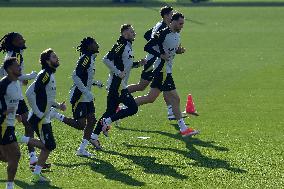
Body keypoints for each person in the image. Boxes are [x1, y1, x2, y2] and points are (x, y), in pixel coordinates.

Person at [135, 12, 199, 137]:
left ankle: (121, 108)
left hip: (165, 69)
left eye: (183, 24)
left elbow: (171, 49)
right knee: (176, 98)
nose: (182, 26)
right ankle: (183, 129)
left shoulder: (176, 34)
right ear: (173, 21)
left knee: (150, 98)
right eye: (180, 23)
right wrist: (160, 55)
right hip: (162, 70)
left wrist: (178, 51)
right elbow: (147, 46)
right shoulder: (163, 33)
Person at [127, 6, 187, 120]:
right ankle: (121, 97)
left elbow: (147, 35)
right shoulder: (162, 28)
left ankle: (171, 111)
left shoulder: (167, 28)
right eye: (171, 14)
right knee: (142, 86)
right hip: (154, 62)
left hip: (161, 64)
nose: (172, 16)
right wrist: (160, 52)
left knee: (153, 94)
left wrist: (173, 49)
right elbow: (150, 42)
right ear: (166, 16)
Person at [90, 24, 145, 146]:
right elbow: (106, 59)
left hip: (117, 84)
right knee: (133, 108)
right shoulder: (121, 44)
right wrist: (118, 72)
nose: (134, 33)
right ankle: (107, 121)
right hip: (118, 85)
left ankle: (93, 136)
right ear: (125, 33)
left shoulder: (128, 46)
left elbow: (126, 64)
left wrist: (138, 64)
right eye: (131, 31)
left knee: (109, 111)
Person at [21, 48, 65, 182]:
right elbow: (29, 93)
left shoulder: (50, 74)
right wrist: (38, 111)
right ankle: (19, 138)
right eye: (53, 57)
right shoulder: (45, 74)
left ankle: (36, 175)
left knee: (48, 146)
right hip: (39, 117)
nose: (56, 58)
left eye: (56, 56)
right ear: (47, 61)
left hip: (43, 115)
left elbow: (47, 97)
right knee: (49, 145)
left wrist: (58, 105)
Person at [0, 32, 41, 168]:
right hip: (10, 96)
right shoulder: (15, 55)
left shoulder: (15, 53)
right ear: (14, 42)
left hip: (16, 95)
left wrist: (23, 78)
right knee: (14, 126)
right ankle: (32, 157)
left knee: (27, 124)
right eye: (20, 39)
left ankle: (33, 159)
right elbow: (15, 75)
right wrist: (31, 75)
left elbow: (8, 73)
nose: (23, 39)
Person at [68, 37, 101, 156]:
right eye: (95, 43)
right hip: (79, 95)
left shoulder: (90, 58)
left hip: (87, 95)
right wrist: (86, 92)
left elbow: (85, 77)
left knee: (92, 120)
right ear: (89, 46)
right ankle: (56, 115)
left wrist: (95, 83)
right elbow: (75, 76)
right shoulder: (85, 58)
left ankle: (82, 149)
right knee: (81, 124)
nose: (97, 45)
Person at [0, 57, 22, 189]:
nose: (19, 67)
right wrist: (3, 112)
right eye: (16, 66)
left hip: (9, 124)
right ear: (9, 69)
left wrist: (16, 114)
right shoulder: (3, 84)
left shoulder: (16, 83)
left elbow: (12, 102)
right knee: (15, 154)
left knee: (4, 157)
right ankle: (10, 186)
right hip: (2, 124)